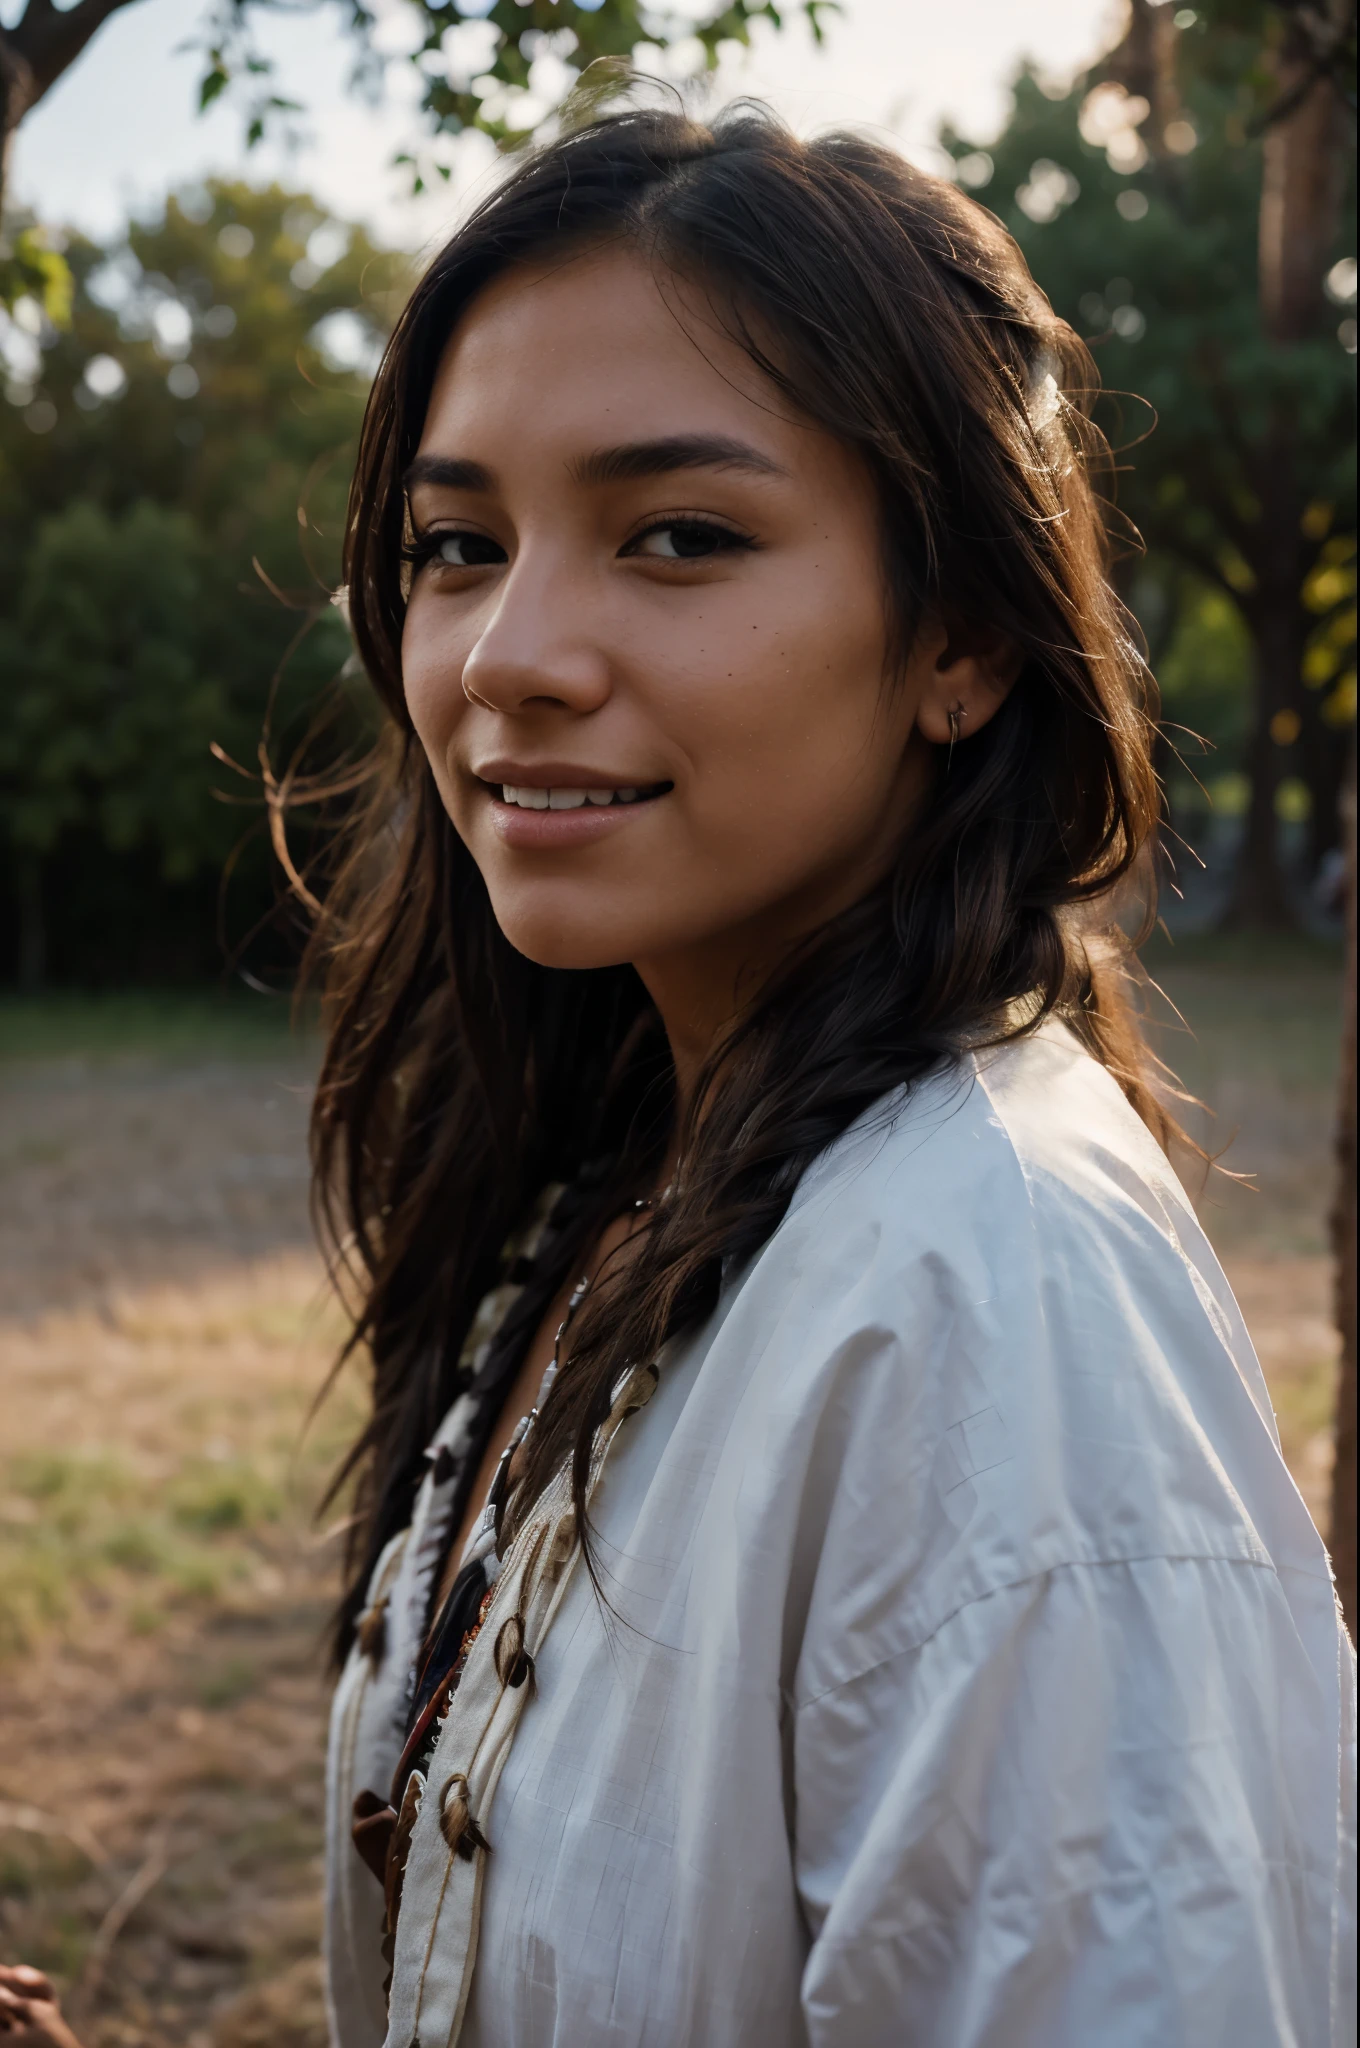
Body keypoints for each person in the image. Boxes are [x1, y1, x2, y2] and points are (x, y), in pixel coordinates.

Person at [5, 104, 1352, 2048]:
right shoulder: (631, 1166)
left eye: (680, 537)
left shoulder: (996, 1300)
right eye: (456, 547)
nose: (506, 656)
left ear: (959, 633)